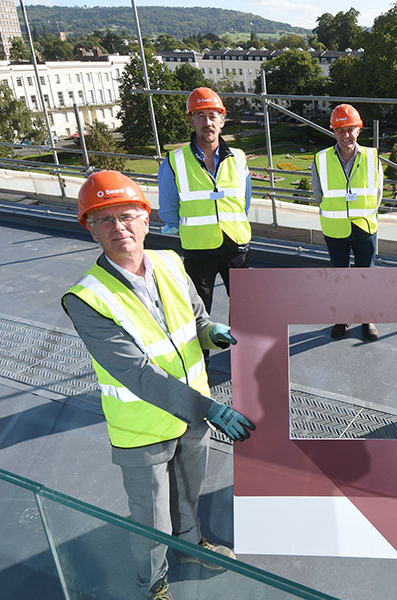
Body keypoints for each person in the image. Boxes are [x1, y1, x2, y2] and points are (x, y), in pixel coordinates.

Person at [62, 171, 255, 600]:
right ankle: (153, 585)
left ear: (146, 220)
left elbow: (198, 321)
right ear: (91, 229)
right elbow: (138, 373)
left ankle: (191, 546)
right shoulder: (86, 298)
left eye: (127, 216)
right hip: (143, 428)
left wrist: (213, 334)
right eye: (105, 219)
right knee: (151, 521)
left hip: (192, 418)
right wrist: (209, 408)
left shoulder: (170, 263)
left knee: (189, 496)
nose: (119, 227)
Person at [158, 87, 253, 317]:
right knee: (198, 312)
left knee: (245, 307)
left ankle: (240, 341)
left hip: (236, 246)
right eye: (200, 116)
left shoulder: (239, 158)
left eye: (212, 116)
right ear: (191, 120)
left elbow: (245, 202)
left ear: (222, 120)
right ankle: (203, 344)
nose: (207, 122)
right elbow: (168, 210)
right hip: (198, 249)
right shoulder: (174, 161)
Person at [312, 103, 384, 341]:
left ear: (359, 130)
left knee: (366, 275)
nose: (346, 135)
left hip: (365, 226)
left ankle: (367, 318)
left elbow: (378, 193)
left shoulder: (372, 157)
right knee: (339, 276)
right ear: (333, 131)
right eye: (340, 130)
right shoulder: (321, 159)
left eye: (350, 129)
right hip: (335, 228)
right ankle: (341, 318)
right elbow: (319, 195)